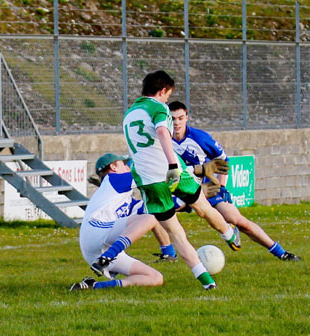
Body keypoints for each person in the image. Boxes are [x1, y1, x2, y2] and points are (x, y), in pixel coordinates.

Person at [121, 70, 241, 289]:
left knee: (175, 232)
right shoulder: (159, 108)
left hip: (148, 180)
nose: (168, 99)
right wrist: (173, 165)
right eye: (168, 94)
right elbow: (163, 134)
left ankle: (206, 282)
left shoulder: (129, 114)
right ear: (163, 90)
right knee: (203, 208)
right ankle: (229, 235)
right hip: (172, 171)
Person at [168, 100, 301, 261]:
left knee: (238, 220)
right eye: (173, 118)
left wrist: (221, 187)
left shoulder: (200, 138)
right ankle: (168, 253)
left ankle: (281, 253)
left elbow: (223, 161)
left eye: (180, 118)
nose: (176, 122)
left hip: (205, 190)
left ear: (187, 117)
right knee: (154, 214)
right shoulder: (162, 140)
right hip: (178, 191)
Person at [70, 153, 163, 291]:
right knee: (150, 218)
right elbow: (149, 176)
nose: (127, 167)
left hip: (98, 248)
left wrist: (193, 200)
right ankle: (167, 252)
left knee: (155, 278)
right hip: (96, 232)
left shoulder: (124, 197)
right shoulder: (112, 179)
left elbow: (160, 206)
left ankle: (94, 286)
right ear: (113, 167)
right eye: (123, 164)